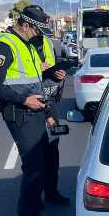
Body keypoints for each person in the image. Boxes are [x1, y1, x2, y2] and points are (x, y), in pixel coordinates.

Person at [0, 5, 58, 216]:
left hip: (35, 110)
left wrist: (47, 110)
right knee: (33, 167)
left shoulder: (27, 44)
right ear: (26, 25)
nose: (40, 36)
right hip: (19, 112)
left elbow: (35, 83)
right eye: (38, 31)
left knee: (43, 161)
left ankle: (36, 214)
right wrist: (24, 99)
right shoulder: (5, 46)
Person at [30, 32, 71, 206]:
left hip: (49, 98)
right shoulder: (17, 43)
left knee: (52, 150)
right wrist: (37, 68)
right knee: (34, 153)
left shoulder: (46, 41)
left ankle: (51, 192)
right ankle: (34, 199)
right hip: (29, 100)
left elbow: (52, 67)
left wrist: (57, 74)